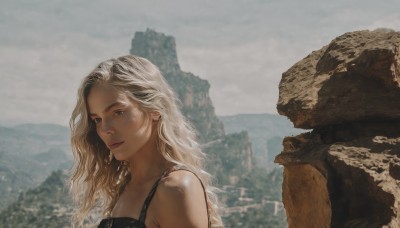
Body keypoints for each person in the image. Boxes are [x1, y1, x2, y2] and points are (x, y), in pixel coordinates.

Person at [69, 55, 223, 228]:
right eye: (97, 119)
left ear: (154, 110)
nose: (105, 129)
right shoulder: (125, 189)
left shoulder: (175, 189)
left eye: (118, 112)